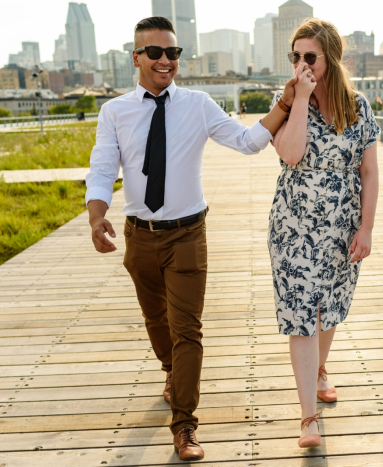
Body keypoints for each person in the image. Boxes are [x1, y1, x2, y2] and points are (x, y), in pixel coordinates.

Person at [85, 16, 305, 461]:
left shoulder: (199, 104)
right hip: (139, 237)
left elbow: (247, 141)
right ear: (136, 57)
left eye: (173, 53)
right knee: (156, 323)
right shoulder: (115, 111)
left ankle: (184, 424)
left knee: (188, 331)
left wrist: (285, 101)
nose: (166, 60)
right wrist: (96, 217)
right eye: (156, 53)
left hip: (187, 234)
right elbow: (103, 168)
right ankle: (171, 373)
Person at [267, 18, 379, 448]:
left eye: (309, 57)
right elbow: (291, 154)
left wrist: (366, 228)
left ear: (330, 59)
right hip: (293, 225)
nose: (300, 64)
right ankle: (308, 419)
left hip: (342, 222)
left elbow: (369, 173)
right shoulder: (289, 101)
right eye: (294, 56)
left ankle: (319, 371)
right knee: (301, 315)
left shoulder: (358, 106)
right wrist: (299, 98)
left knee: (330, 306)